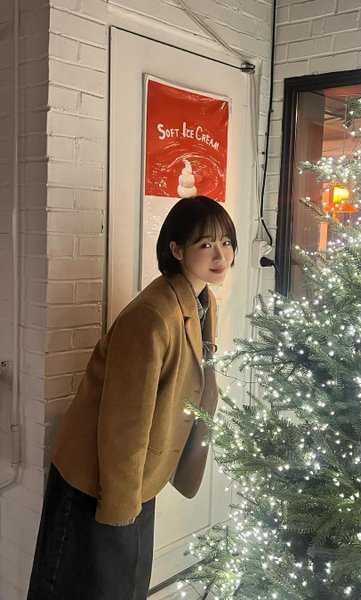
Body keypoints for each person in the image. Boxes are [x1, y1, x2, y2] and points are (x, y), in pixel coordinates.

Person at [27, 195, 237, 600]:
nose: (220, 255)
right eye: (206, 244)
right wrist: (120, 511)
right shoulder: (152, 316)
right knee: (85, 589)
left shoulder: (201, 300)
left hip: (138, 478)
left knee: (127, 586)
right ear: (176, 249)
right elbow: (125, 421)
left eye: (226, 242)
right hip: (99, 482)